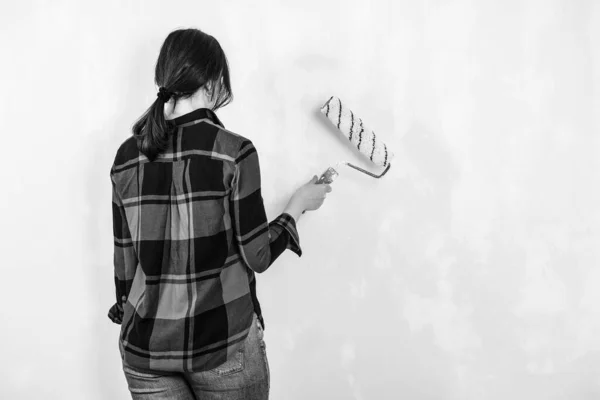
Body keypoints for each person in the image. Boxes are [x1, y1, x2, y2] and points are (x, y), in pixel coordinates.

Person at [108, 28, 332, 399]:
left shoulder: (126, 156)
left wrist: (124, 309)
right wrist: (296, 208)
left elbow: (124, 264)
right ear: (212, 82)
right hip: (222, 345)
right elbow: (257, 256)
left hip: (144, 351)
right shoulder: (234, 152)